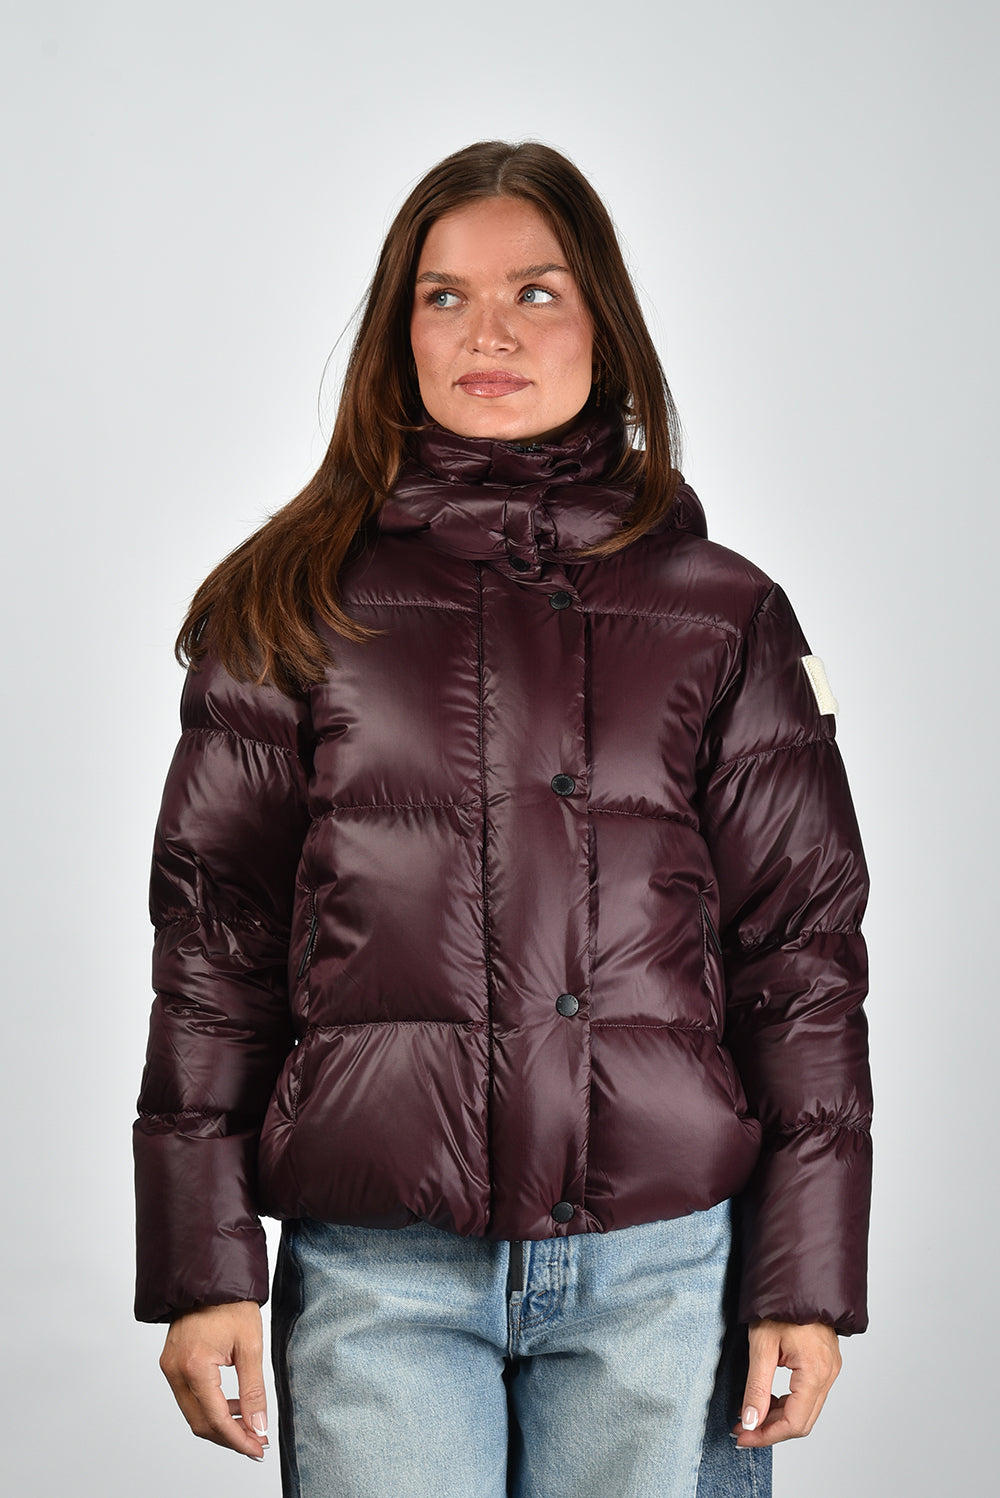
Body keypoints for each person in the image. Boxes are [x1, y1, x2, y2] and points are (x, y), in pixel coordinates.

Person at [134, 140, 872, 1498]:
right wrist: (204, 1263)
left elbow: (801, 954)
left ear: (604, 324)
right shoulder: (291, 607)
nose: (489, 332)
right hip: (381, 1269)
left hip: (664, 1269)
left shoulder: (725, 612)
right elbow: (213, 946)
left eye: (536, 292)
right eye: (445, 296)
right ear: (398, 333)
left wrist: (805, 1277)